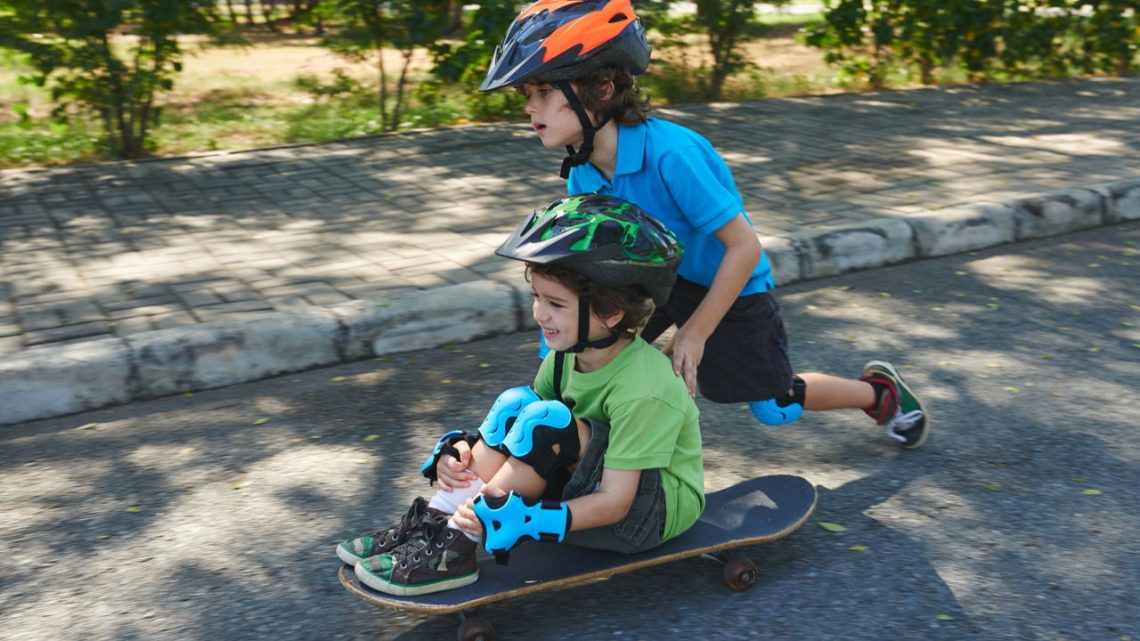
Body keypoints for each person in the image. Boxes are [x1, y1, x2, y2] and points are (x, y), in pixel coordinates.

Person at [477, 0, 929, 448]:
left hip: (726, 282)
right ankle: (578, 455)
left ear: (600, 88)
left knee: (775, 407)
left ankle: (879, 392)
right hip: (656, 280)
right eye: (527, 95)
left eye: (544, 93)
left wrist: (693, 332)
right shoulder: (582, 170)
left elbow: (744, 248)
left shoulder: (672, 154)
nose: (529, 108)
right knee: (580, 355)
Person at [336, 194, 705, 596]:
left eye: (556, 304)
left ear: (612, 313)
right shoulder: (565, 358)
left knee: (548, 423)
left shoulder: (644, 389)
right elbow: (521, 438)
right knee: (518, 405)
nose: (538, 314)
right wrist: (461, 462)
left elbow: (616, 503)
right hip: (592, 494)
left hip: (643, 518)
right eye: (537, 298)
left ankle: (458, 544)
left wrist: (533, 521)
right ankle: (439, 521)